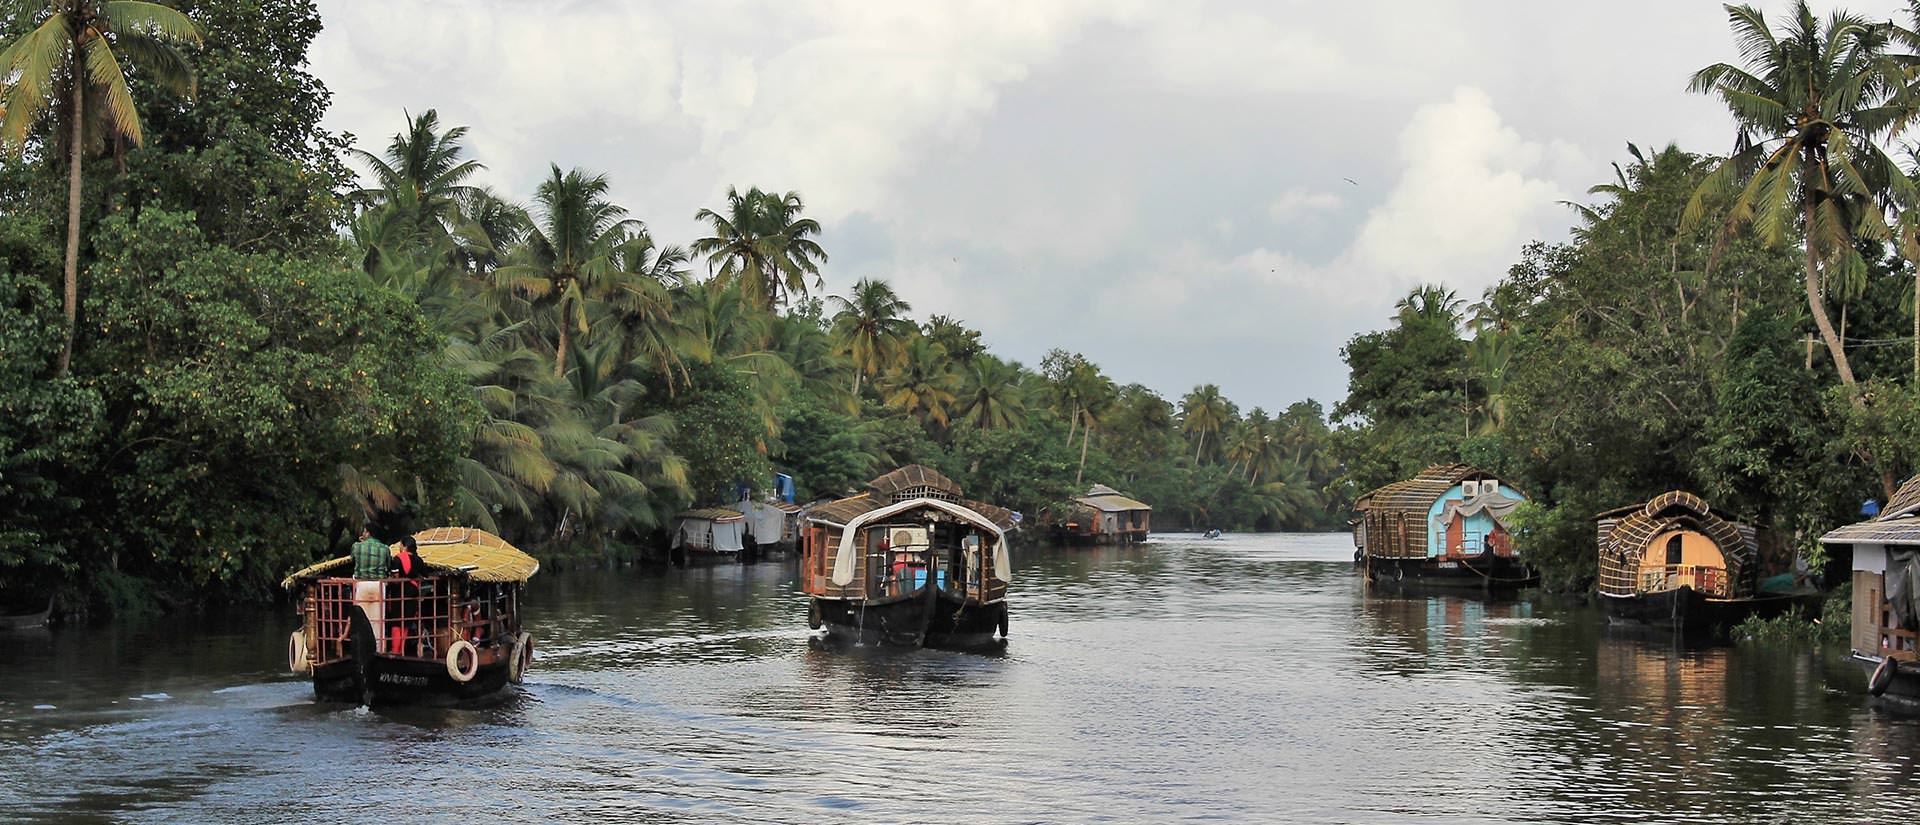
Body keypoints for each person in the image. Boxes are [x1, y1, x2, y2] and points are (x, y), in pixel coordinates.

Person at [349, 527, 390, 646]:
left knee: (360, 618)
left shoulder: (356, 546)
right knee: (377, 620)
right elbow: (388, 566)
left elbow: (353, 561)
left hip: (361, 584)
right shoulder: (385, 548)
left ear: (368, 532)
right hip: (379, 585)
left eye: (364, 531)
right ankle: (379, 647)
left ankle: (361, 647)